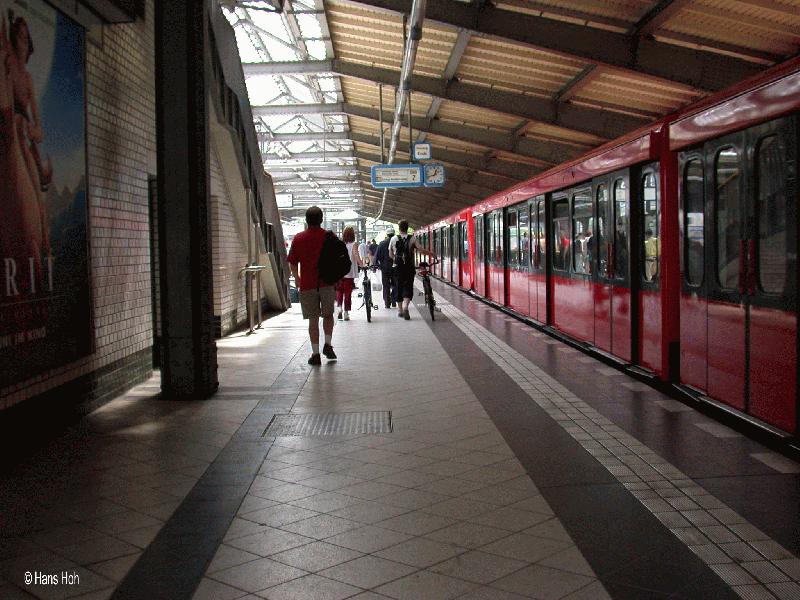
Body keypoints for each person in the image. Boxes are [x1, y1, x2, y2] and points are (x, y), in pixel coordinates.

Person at [287, 206, 337, 365]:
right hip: (327, 283)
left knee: (313, 320)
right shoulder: (330, 237)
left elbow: (292, 262)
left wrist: (297, 278)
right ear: (321, 220)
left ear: (306, 220)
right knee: (328, 315)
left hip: (307, 284)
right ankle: (327, 344)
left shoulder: (299, 238)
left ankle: (315, 354)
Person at [389, 220, 434, 320]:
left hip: (397, 267)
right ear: (407, 228)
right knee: (408, 286)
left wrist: (396, 260)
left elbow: (390, 254)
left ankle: (400, 310)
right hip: (409, 267)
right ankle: (406, 306)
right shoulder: (412, 238)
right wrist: (432, 254)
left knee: (398, 287)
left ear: (399, 228)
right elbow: (421, 250)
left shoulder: (393, 238)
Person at [336, 226, 362, 321]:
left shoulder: (339, 244)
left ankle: (339, 309)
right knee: (347, 293)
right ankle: (346, 313)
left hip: (339, 272)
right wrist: (361, 264)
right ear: (352, 235)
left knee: (339, 291)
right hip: (349, 272)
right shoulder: (354, 244)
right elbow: (355, 254)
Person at [375, 230, 396, 309]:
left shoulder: (382, 243)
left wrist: (376, 265)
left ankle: (387, 303)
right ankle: (394, 300)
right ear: (394, 234)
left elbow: (377, 255)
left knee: (386, 285)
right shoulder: (397, 242)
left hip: (385, 267)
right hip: (395, 267)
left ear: (387, 234)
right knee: (395, 284)